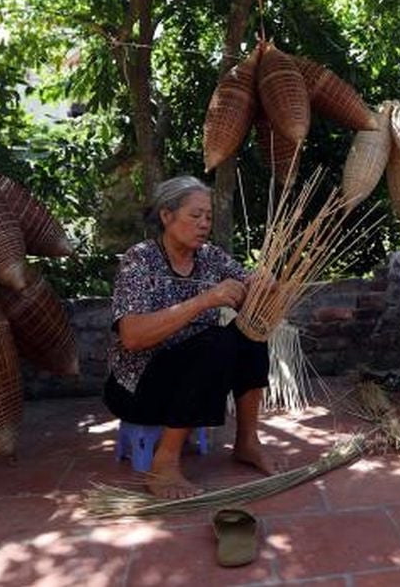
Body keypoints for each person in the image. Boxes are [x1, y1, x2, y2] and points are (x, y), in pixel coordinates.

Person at [105, 175, 283, 498]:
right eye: (195, 215)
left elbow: (249, 282)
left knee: (251, 333)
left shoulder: (210, 257)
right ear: (166, 216)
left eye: (208, 217)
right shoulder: (140, 260)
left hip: (197, 375)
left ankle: (247, 442)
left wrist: (263, 283)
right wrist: (205, 300)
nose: (204, 224)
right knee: (217, 340)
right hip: (139, 385)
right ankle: (164, 463)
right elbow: (132, 337)